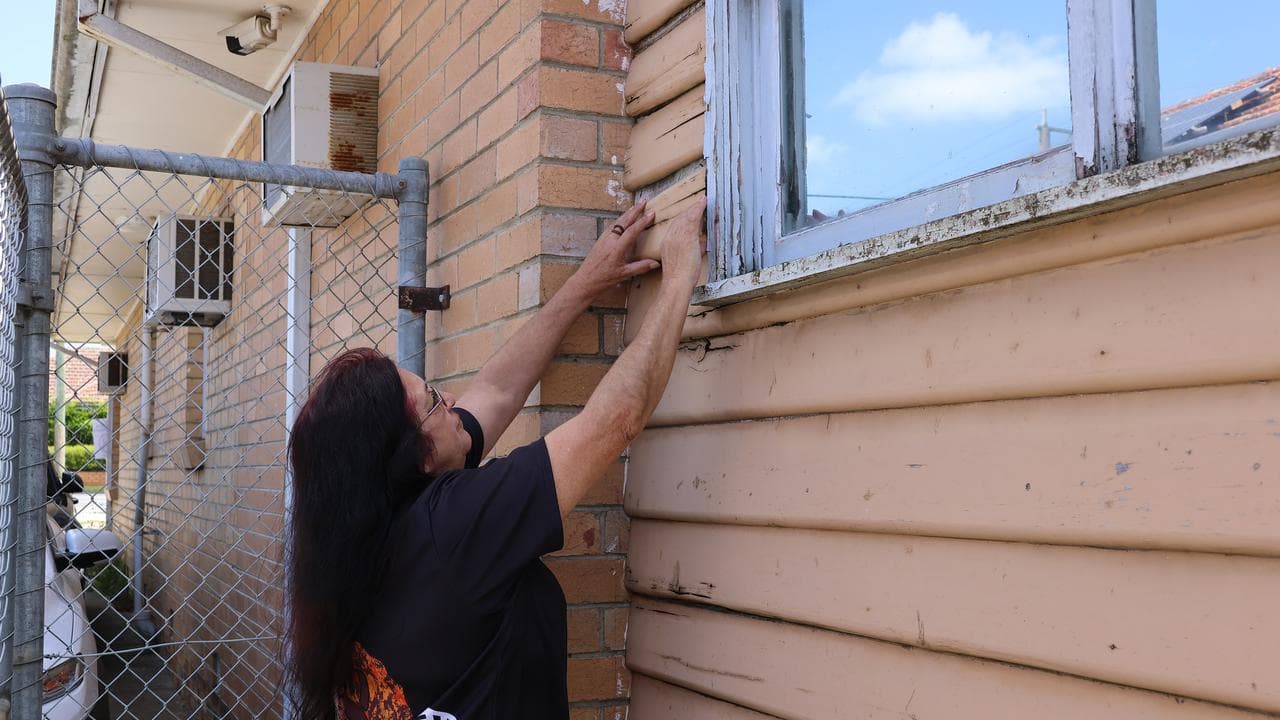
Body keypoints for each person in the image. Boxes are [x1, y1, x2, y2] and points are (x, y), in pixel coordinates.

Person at [285, 196, 709, 720]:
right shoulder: (454, 528)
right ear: (412, 457)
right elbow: (617, 417)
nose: (453, 404)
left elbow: (499, 388)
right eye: (434, 401)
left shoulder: (362, 542)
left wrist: (585, 283)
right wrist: (681, 275)